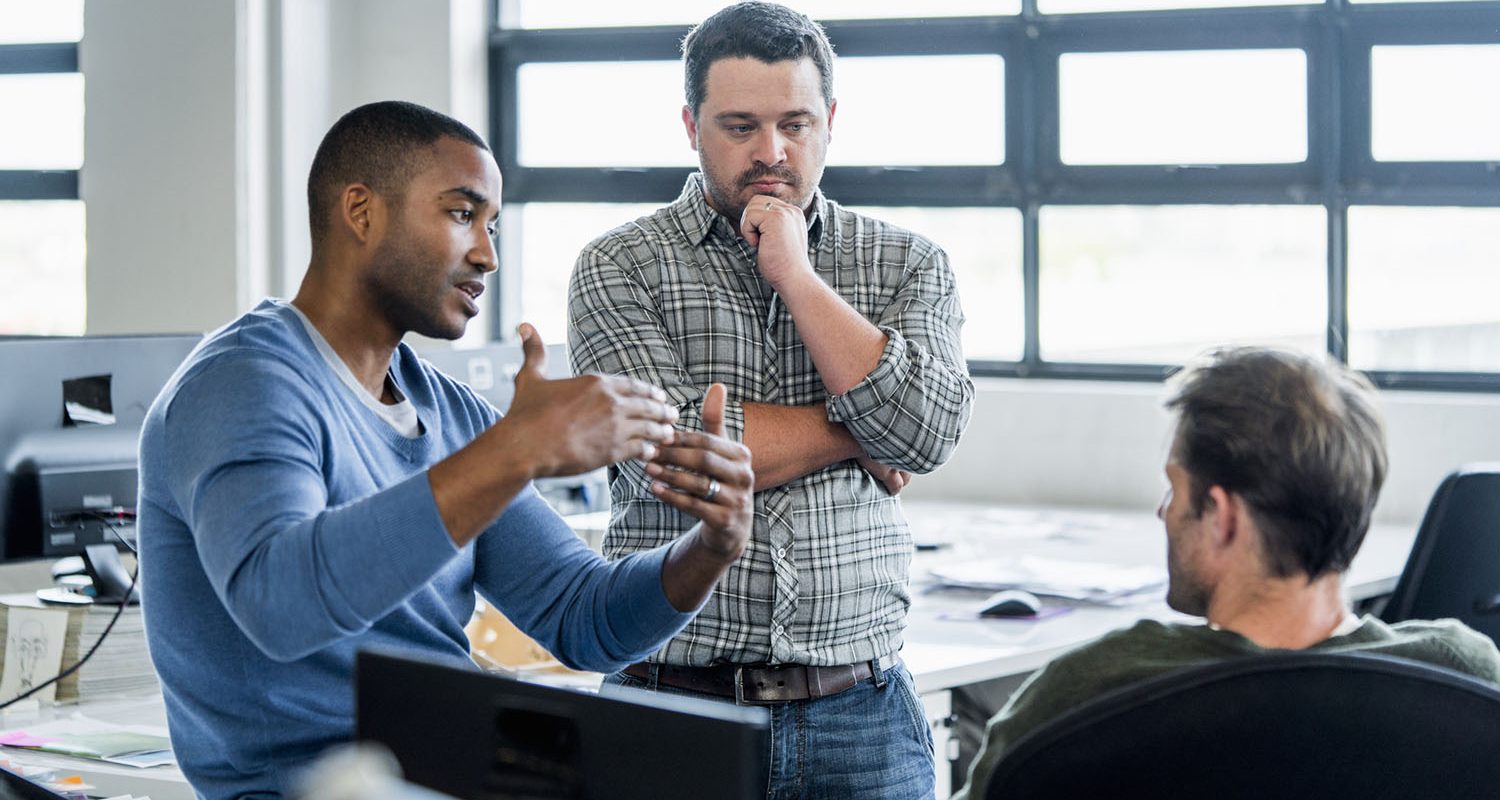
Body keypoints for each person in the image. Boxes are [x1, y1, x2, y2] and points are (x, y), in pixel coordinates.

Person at [137, 100, 755, 800]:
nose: (488, 254)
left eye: (492, 225)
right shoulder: (243, 383)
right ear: (362, 212)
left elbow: (586, 619)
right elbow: (283, 607)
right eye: (462, 214)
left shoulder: (450, 411)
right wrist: (517, 449)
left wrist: (709, 547)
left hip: (447, 775)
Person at [567, 3, 973, 797]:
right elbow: (681, 457)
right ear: (691, 125)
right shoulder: (619, 266)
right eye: (739, 126)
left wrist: (797, 274)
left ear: (831, 121)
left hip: (862, 715)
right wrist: (861, 425)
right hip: (670, 710)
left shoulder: (908, 262)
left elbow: (925, 433)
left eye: (796, 123)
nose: (772, 152)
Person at [953, 347, 1500, 800]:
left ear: (1223, 517)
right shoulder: (1466, 678)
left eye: (1176, 489)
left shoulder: (1087, 694)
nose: (1164, 511)